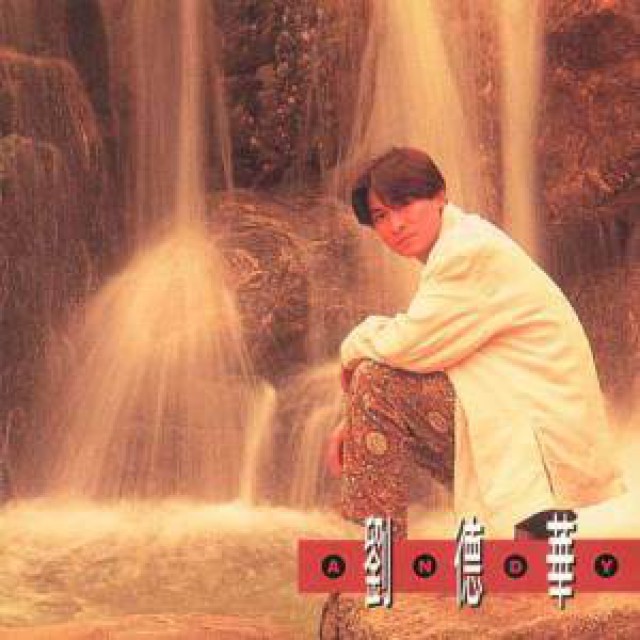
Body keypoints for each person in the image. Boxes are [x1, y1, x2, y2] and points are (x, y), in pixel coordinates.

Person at [327, 146, 624, 539]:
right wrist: (355, 415)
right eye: (381, 216)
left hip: (543, 440)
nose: (395, 224)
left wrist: (351, 350)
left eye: (405, 204)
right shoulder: (459, 245)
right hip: (520, 427)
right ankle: (532, 528)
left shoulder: (468, 251)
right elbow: (427, 348)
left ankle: (381, 551)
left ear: (439, 196)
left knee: (374, 380)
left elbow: (407, 345)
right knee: (375, 384)